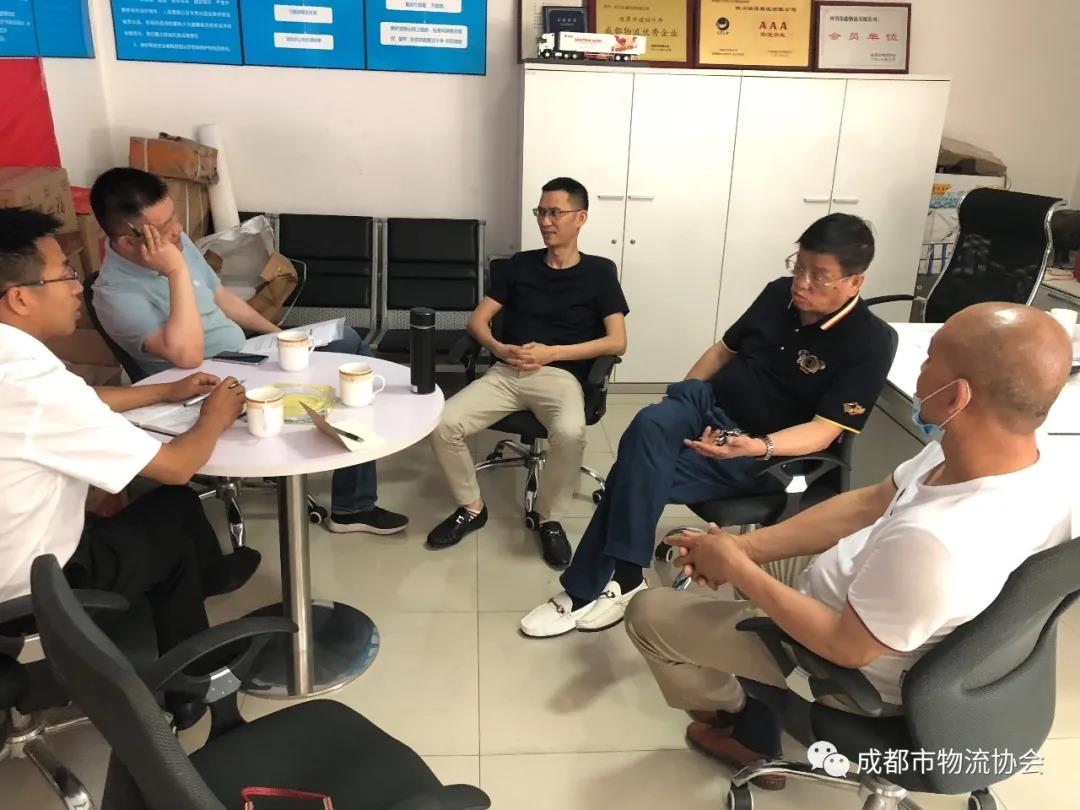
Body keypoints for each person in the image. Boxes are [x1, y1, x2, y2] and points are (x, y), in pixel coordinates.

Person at [624, 302, 1074, 783]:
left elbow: (844, 647)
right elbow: (868, 504)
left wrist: (738, 569)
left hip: (846, 665)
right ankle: (745, 629)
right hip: (877, 597)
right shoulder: (1018, 458)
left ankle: (736, 723)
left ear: (955, 397)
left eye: (929, 358)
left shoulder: (937, 542)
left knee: (648, 615)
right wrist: (745, 550)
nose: (919, 370)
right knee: (742, 550)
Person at [521, 213, 894, 638]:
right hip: (707, 405)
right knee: (650, 423)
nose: (801, 283)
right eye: (799, 267)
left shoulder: (868, 342)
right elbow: (722, 352)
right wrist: (681, 400)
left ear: (855, 282)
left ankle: (596, 585)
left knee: (634, 472)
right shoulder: (778, 293)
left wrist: (756, 445)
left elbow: (825, 431)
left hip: (761, 451)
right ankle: (625, 578)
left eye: (818, 277)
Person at [0, 207, 259, 671]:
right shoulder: (32, 382)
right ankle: (195, 680)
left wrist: (164, 390)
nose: (76, 286)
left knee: (174, 506)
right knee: (171, 515)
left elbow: (80, 399)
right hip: (30, 590)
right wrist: (215, 417)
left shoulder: (16, 368)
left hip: (17, 552)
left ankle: (207, 579)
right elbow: (176, 466)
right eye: (65, 274)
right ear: (20, 297)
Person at [88, 167, 407, 536]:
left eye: (174, 217)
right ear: (128, 241)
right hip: (203, 380)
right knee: (342, 368)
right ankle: (354, 507)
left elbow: (221, 298)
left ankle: (352, 500)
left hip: (244, 353)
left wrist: (283, 336)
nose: (178, 230)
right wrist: (175, 271)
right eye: (163, 228)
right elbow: (188, 357)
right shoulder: (115, 294)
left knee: (346, 344)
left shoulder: (175, 243)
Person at [427, 177, 628, 567]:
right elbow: (477, 321)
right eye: (541, 212)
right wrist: (498, 348)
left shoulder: (599, 272)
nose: (545, 221)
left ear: (580, 217)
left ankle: (548, 518)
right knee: (443, 422)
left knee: (570, 432)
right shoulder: (519, 265)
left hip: (560, 376)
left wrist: (554, 353)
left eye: (555, 212)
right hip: (507, 371)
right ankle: (471, 507)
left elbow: (617, 341)